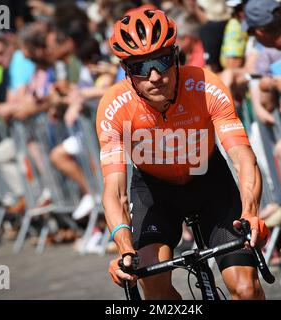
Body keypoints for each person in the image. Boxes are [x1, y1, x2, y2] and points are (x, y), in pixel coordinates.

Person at [98, 9, 269, 300]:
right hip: (154, 192)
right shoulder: (114, 107)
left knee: (245, 289)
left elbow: (243, 158)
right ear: (126, 71)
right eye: (140, 67)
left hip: (210, 182)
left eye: (163, 60)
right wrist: (124, 248)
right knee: (153, 285)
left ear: (176, 54)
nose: (154, 76)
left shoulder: (206, 86)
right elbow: (115, 192)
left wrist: (251, 212)